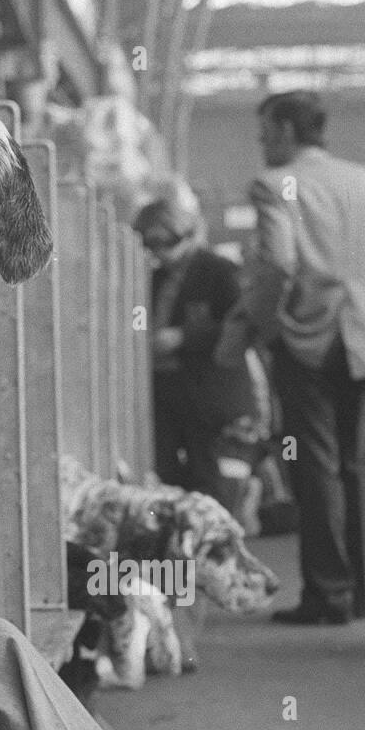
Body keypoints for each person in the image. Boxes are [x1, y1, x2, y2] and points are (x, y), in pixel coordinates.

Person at [239, 90, 365, 625]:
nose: (262, 141)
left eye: (267, 130)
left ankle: (328, 594)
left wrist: (263, 328)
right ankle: (362, 589)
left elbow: (279, 266)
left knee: (313, 466)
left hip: (306, 333)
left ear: (288, 131)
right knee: (356, 463)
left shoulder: (273, 186)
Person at [133, 185, 257, 511]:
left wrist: (184, 337)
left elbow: (239, 325)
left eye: (165, 243)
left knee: (210, 478)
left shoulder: (218, 271)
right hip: (166, 391)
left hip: (207, 393)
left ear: (186, 236)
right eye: (150, 243)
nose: (158, 252)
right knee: (169, 477)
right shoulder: (152, 276)